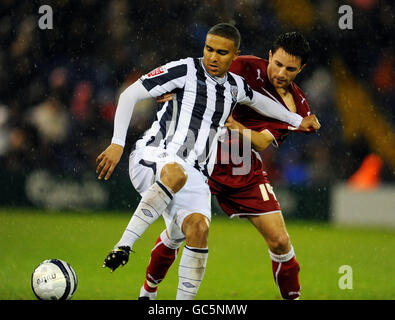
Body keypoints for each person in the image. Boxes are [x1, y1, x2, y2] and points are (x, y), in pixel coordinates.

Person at [96, 24, 320, 300]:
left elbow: (262, 130)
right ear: (269, 55)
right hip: (178, 156)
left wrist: (294, 121)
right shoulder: (232, 67)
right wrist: (164, 99)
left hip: (233, 167)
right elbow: (146, 89)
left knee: (262, 238)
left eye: (290, 70)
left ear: (302, 70)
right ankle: (139, 274)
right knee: (176, 228)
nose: (281, 73)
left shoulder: (286, 102)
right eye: (278, 64)